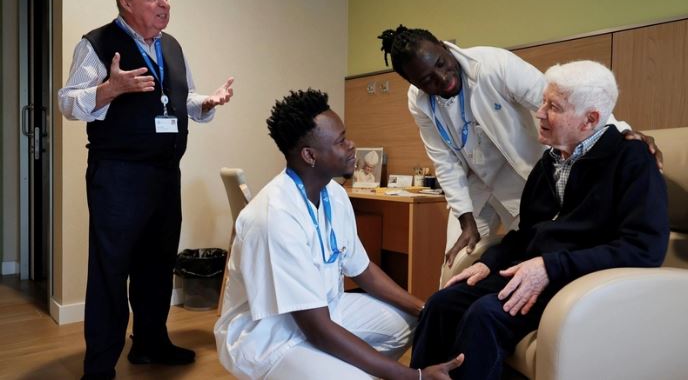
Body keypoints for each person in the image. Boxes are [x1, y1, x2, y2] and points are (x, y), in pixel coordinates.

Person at [410, 60, 669, 379]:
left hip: (581, 282)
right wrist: (489, 263)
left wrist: (551, 267)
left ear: (590, 119)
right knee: (441, 304)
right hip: (538, 271)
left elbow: (644, 249)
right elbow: (526, 234)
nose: (539, 112)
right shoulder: (549, 162)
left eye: (553, 107)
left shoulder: (632, 160)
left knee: (485, 315)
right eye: (543, 102)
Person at [378, 25, 664, 286]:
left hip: (520, 175)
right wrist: (465, 217)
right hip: (473, 182)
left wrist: (621, 131)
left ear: (444, 46)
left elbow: (559, 101)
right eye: (427, 80)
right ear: (414, 83)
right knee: (454, 269)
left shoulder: (494, 65)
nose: (442, 78)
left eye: (441, 64)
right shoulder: (418, 101)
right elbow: (443, 158)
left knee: (522, 255)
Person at [214, 89, 463, 380]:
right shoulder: (274, 217)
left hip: (324, 312)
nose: (352, 145)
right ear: (310, 155)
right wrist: (414, 376)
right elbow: (318, 330)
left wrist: (425, 308)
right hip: (269, 338)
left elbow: (364, 270)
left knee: (410, 322)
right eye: (340, 141)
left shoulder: (333, 194)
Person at [57, 0, 234, 378]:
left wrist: (206, 101)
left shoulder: (171, 46)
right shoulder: (97, 43)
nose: (163, 3)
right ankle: (99, 367)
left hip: (165, 174)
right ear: (125, 1)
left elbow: (179, 97)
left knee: (156, 264)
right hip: (118, 176)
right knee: (111, 271)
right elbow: (68, 101)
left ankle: (150, 344)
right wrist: (109, 89)